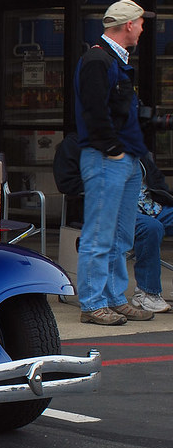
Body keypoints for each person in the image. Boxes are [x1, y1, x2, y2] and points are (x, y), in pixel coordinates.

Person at [73, 0, 155, 325]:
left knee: (120, 236)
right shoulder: (98, 60)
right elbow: (94, 110)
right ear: (128, 25)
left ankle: (113, 297)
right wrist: (113, 148)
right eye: (141, 22)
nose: (143, 28)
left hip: (123, 158)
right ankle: (93, 302)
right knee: (100, 234)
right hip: (108, 158)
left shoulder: (110, 59)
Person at [54, 133, 172, 314]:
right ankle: (147, 292)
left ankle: (119, 297)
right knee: (150, 227)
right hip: (113, 208)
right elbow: (66, 183)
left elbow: (156, 180)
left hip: (151, 206)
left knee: (151, 223)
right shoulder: (74, 145)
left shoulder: (130, 143)